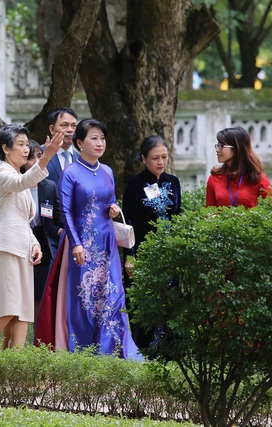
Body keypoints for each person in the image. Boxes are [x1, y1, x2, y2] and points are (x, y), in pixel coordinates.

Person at [35, 118, 143, 361]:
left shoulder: (107, 171)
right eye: (94, 138)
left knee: (112, 295)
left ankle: (112, 350)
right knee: (84, 298)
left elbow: (110, 201)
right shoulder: (70, 172)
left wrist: (113, 208)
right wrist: (76, 243)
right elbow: (66, 212)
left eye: (102, 138)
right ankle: (82, 350)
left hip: (107, 245)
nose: (100, 143)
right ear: (79, 143)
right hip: (81, 245)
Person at [0, 124, 63, 348]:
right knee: (7, 309)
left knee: (23, 312)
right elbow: (22, 183)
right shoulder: (2, 173)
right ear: (6, 148)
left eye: (27, 144)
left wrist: (35, 243)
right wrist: (46, 157)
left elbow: (23, 220)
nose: (26, 149)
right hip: (5, 247)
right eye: (20, 144)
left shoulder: (18, 175)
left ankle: (15, 366)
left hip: (23, 249)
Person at [121, 135, 182, 348]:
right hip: (143, 254)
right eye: (155, 158)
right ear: (144, 158)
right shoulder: (135, 184)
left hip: (168, 254)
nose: (160, 162)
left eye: (164, 157)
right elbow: (127, 222)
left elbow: (178, 216)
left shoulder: (173, 183)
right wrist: (130, 255)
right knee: (143, 304)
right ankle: (144, 351)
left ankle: (168, 351)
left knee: (169, 302)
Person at [206, 126, 272, 208]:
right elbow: (209, 212)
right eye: (217, 145)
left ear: (237, 148)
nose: (217, 149)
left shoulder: (256, 178)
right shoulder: (214, 178)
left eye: (222, 146)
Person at [44, 107, 79, 186]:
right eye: (64, 125)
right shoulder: (39, 154)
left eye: (74, 126)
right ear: (52, 129)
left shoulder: (80, 158)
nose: (70, 130)